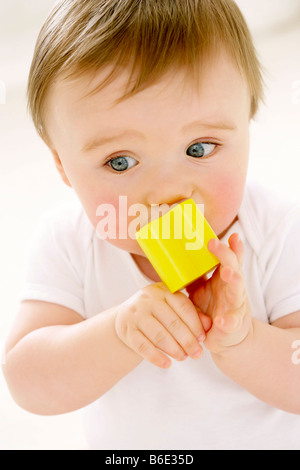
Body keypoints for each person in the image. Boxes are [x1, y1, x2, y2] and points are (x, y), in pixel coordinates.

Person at [3, 0, 300, 450]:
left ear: (248, 124)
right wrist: (117, 331)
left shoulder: (277, 231)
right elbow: (27, 381)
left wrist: (242, 341)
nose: (167, 193)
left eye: (200, 148)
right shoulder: (69, 242)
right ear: (63, 166)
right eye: (120, 162)